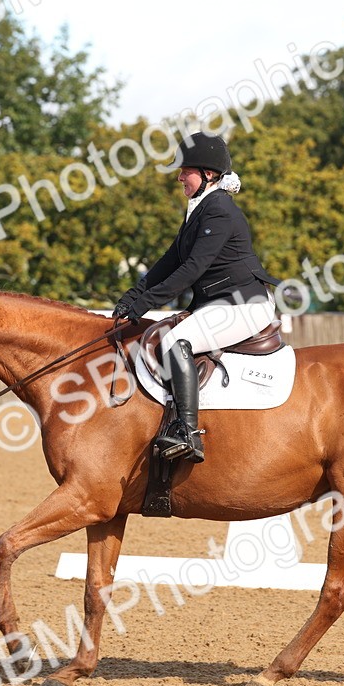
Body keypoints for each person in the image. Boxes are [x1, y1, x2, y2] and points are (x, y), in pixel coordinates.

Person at [113, 132, 279, 462]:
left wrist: (145, 304)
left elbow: (192, 268)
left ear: (207, 174)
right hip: (218, 302)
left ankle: (187, 433)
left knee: (175, 342)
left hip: (244, 304)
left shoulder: (218, 209)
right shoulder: (200, 208)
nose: (179, 177)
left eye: (185, 171)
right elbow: (170, 260)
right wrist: (133, 295)